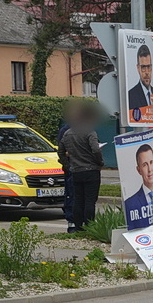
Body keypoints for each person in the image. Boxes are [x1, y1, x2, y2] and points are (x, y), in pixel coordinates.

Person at [58, 104, 104, 234]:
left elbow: (60, 151)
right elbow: (95, 149)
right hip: (91, 170)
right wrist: (99, 162)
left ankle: (78, 226)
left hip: (76, 170)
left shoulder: (67, 133)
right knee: (90, 200)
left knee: (78, 200)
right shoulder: (90, 132)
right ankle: (89, 226)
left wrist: (67, 165)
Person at [123, 143, 153, 228]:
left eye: (151, 162)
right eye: (144, 165)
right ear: (139, 170)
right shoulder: (130, 203)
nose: (150, 169)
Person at [56, 100, 84, 230]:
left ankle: (83, 223)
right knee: (71, 195)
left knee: (83, 197)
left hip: (85, 167)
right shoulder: (65, 130)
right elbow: (61, 151)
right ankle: (72, 223)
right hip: (72, 168)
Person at [128, 44, 153, 123]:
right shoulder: (131, 95)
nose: (147, 72)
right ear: (138, 68)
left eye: (149, 67)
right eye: (143, 68)